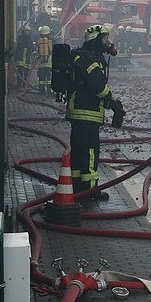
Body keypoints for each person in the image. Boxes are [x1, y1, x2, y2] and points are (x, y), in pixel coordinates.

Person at [66, 24, 119, 201]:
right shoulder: (90, 60)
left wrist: (110, 100)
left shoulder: (83, 56)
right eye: (104, 38)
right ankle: (89, 190)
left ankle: (76, 186)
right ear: (96, 40)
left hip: (79, 111)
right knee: (89, 151)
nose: (107, 42)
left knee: (78, 149)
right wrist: (111, 98)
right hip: (87, 112)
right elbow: (97, 86)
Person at [36, 26, 52, 96]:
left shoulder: (39, 41)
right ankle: (49, 92)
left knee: (41, 79)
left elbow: (37, 51)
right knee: (49, 79)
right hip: (49, 63)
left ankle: (41, 92)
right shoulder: (51, 41)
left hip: (41, 63)